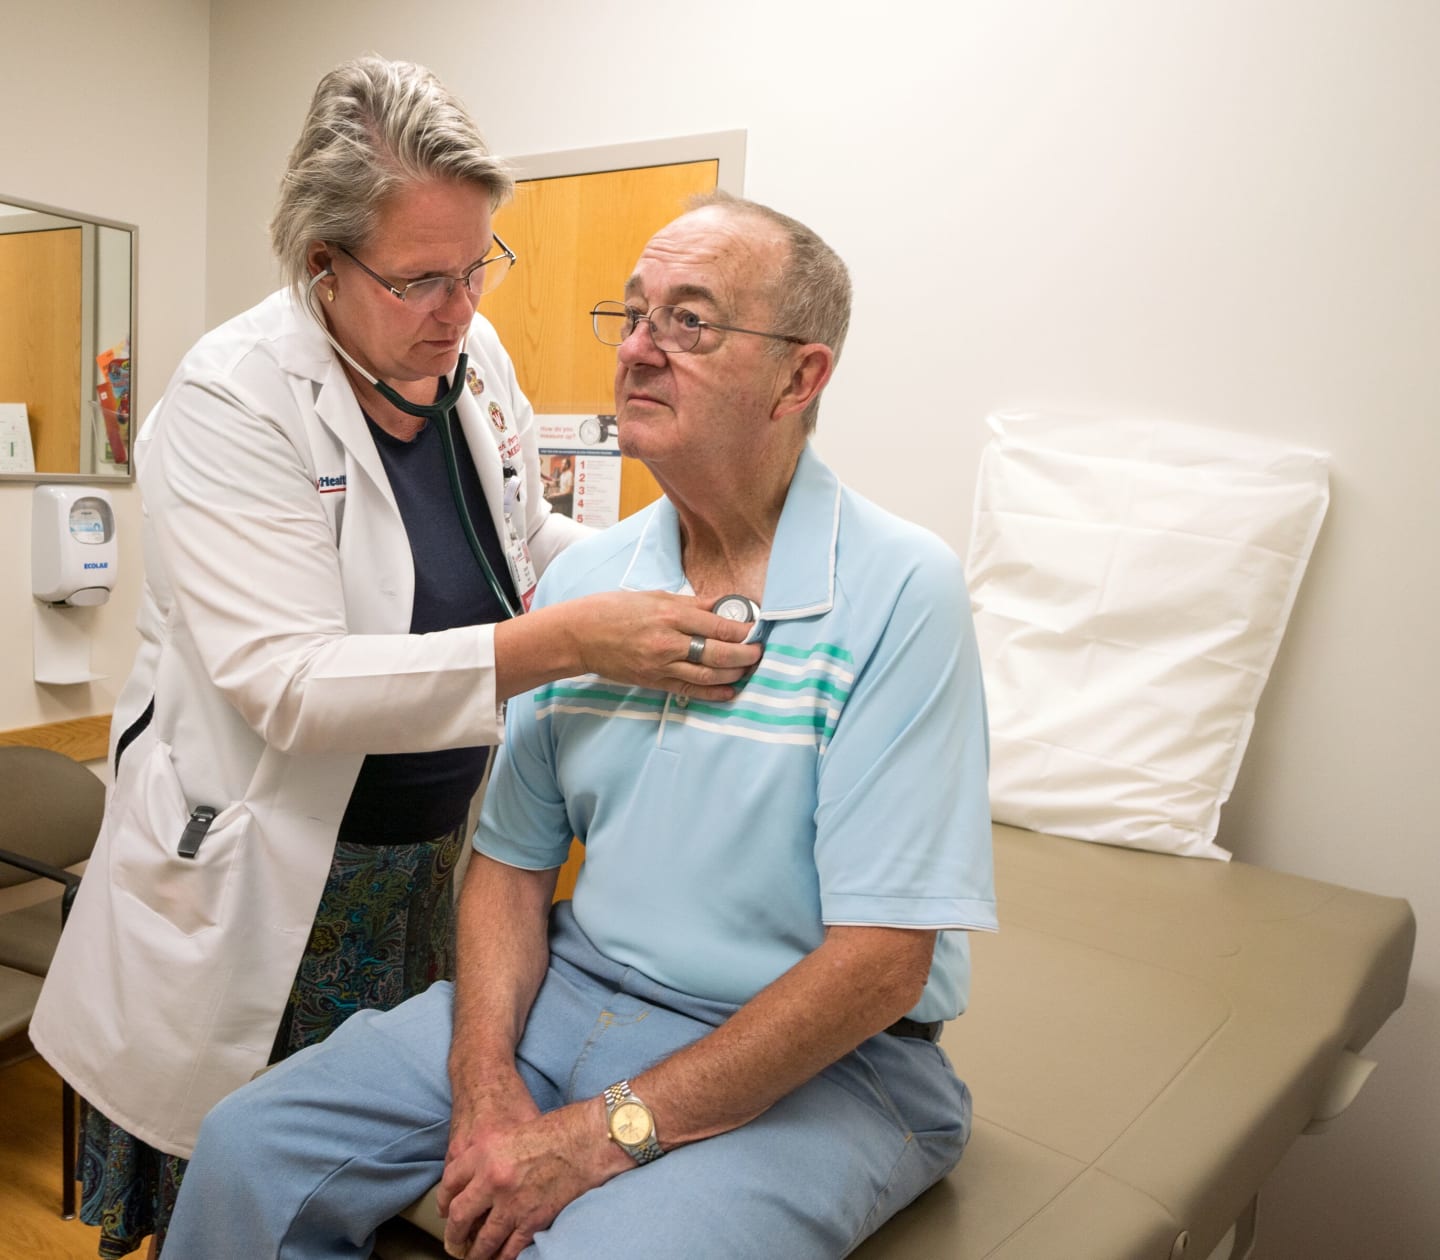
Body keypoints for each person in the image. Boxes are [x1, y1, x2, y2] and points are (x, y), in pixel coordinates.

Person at [164, 193, 997, 1260]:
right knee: (247, 1147)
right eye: (635, 315)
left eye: (691, 322)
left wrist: (602, 1137)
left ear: (802, 377)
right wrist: (483, 1079)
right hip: (573, 991)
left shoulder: (898, 589)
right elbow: (510, 867)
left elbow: (882, 963)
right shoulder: (592, 588)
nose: (640, 350)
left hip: (834, 1061)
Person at [29, 59, 758, 1259]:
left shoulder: (471, 366)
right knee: (246, 1182)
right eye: (420, 278)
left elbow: (525, 541)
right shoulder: (232, 403)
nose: (460, 309)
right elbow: (292, 684)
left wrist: (669, 571)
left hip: (431, 863)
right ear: (322, 264)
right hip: (270, 884)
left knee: (379, 1201)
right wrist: (569, 640)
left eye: (478, 267)